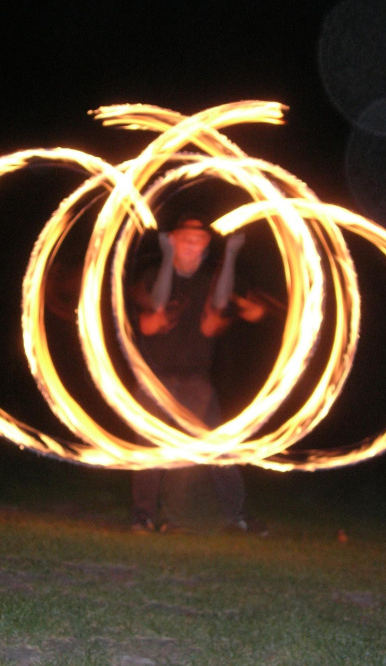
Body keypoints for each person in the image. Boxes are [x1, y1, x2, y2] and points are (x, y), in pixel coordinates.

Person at [130, 213, 268, 534]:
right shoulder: (153, 277)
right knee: (149, 450)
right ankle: (144, 515)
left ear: (206, 249)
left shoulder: (210, 280)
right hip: (155, 379)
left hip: (195, 380)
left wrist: (230, 256)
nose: (193, 248)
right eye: (186, 241)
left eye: (200, 242)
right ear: (173, 241)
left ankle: (235, 516)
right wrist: (167, 259)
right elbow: (150, 323)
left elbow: (211, 323)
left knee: (218, 450)